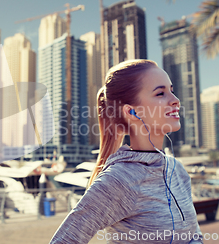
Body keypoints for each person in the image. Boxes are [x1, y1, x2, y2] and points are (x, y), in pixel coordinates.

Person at [50, 60, 203, 243]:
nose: (175, 100)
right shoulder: (121, 178)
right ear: (131, 112)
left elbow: (194, 235)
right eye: (161, 93)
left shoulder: (177, 170)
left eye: (172, 90)